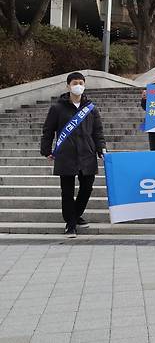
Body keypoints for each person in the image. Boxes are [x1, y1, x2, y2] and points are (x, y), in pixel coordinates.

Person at [40, 72, 106, 238]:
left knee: (87, 188)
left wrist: (101, 148)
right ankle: (70, 224)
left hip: (87, 153)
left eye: (81, 83)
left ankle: (75, 215)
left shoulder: (91, 108)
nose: (78, 86)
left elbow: (98, 131)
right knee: (67, 191)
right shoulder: (57, 108)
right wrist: (46, 150)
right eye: (75, 82)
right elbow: (48, 130)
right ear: (68, 86)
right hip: (66, 154)